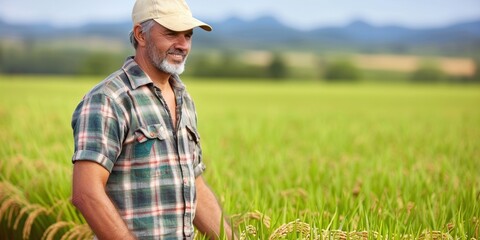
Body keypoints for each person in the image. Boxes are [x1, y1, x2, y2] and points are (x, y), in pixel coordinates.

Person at [70, 0, 235, 239]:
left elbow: (194, 184)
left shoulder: (184, 99)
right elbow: (87, 193)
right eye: (171, 33)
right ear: (140, 35)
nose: (182, 45)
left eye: (187, 36)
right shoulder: (109, 99)